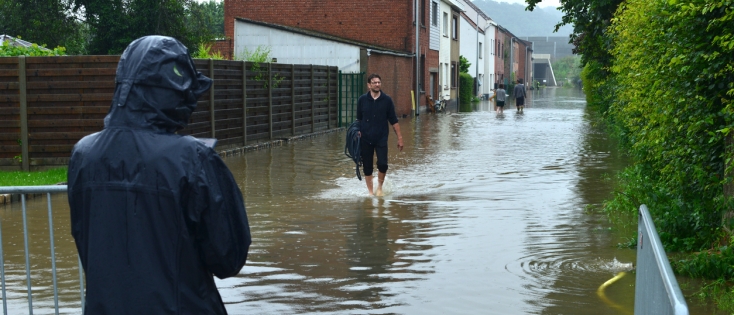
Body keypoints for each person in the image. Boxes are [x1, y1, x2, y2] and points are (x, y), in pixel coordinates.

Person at [67, 36, 251, 314]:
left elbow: (87, 243)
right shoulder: (193, 158)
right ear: (175, 92)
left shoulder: (83, 154)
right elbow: (228, 257)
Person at [356, 73, 404, 196]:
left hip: (381, 137)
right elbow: (358, 120)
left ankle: (380, 188)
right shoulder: (362, 100)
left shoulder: (387, 100)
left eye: (379, 82)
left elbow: (394, 121)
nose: (377, 84)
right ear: (369, 85)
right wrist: (357, 132)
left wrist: (400, 138)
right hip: (365, 138)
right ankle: (371, 193)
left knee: (383, 164)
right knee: (367, 167)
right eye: (374, 82)